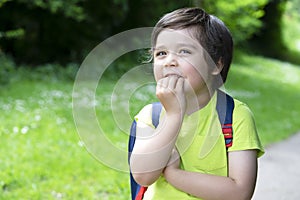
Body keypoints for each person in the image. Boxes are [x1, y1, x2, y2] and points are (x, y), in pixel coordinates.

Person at [129, 7, 264, 200]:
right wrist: (174, 114)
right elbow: (143, 175)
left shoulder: (235, 116)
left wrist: (173, 174)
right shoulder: (151, 116)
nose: (169, 61)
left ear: (216, 65)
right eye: (161, 53)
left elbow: (240, 193)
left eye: (184, 51)